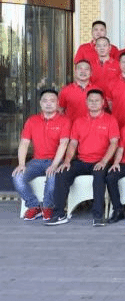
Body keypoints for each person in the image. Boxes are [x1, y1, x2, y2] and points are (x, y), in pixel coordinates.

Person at [45, 89, 119, 226]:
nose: (94, 103)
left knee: (99, 176)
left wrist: (104, 161)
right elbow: (73, 143)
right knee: (62, 173)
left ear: (103, 103)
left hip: (100, 161)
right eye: (91, 100)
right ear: (86, 102)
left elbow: (114, 143)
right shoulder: (79, 121)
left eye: (97, 100)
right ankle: (59, 214)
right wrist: (67, 161)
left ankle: (98, 216)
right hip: (81, 160)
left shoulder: (110, 120)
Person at [13, 89, 71, 221]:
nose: (48, 103)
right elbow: (24, 143)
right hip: (37, 161)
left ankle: (47, 207)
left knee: (52, 176)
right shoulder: (32, 120)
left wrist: (55, 165)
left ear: (57, 103)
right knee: (17, 176)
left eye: (52, 101)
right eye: (45, 101)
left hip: (56, 160)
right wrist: (21, 164)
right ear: (40, 103)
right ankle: (33, 206)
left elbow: (64, 144)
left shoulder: (64, 121)